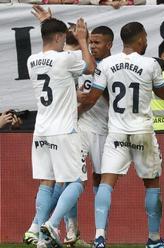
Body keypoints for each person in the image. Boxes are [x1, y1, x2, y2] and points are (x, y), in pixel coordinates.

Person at [77, 21, 164, 248]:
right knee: (152, 185)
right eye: (146, 38)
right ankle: (154, 240)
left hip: (116, 133)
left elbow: (92, 97)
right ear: (140, 39)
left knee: (107, 183)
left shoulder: (107, 64)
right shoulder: (150, 64)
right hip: (142, 133)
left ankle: (99, 237)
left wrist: (74, 109)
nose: (146, 42)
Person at [27, 15, 96, 248]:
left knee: (47, 182)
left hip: (41, 131)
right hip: (64, 130)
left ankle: (38, 234)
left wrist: (50, 20)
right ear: (58, 37)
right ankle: (53, 224)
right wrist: (83, 39)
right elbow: (90, 66)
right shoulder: (65, 59)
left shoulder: (31, 60)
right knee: (76, 181)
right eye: (62, 38)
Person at [63, 25, 114, 247]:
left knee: (99, 179)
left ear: (109, 44)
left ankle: (99, 235)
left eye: (97, 43)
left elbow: (113, 102)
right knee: (70, 177)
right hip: (80, 128)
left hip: (103, 130)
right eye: (90, 42)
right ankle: (71, 232)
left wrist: (94, 95)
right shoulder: (83, 63)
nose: (92, 46)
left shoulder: (113, 66)